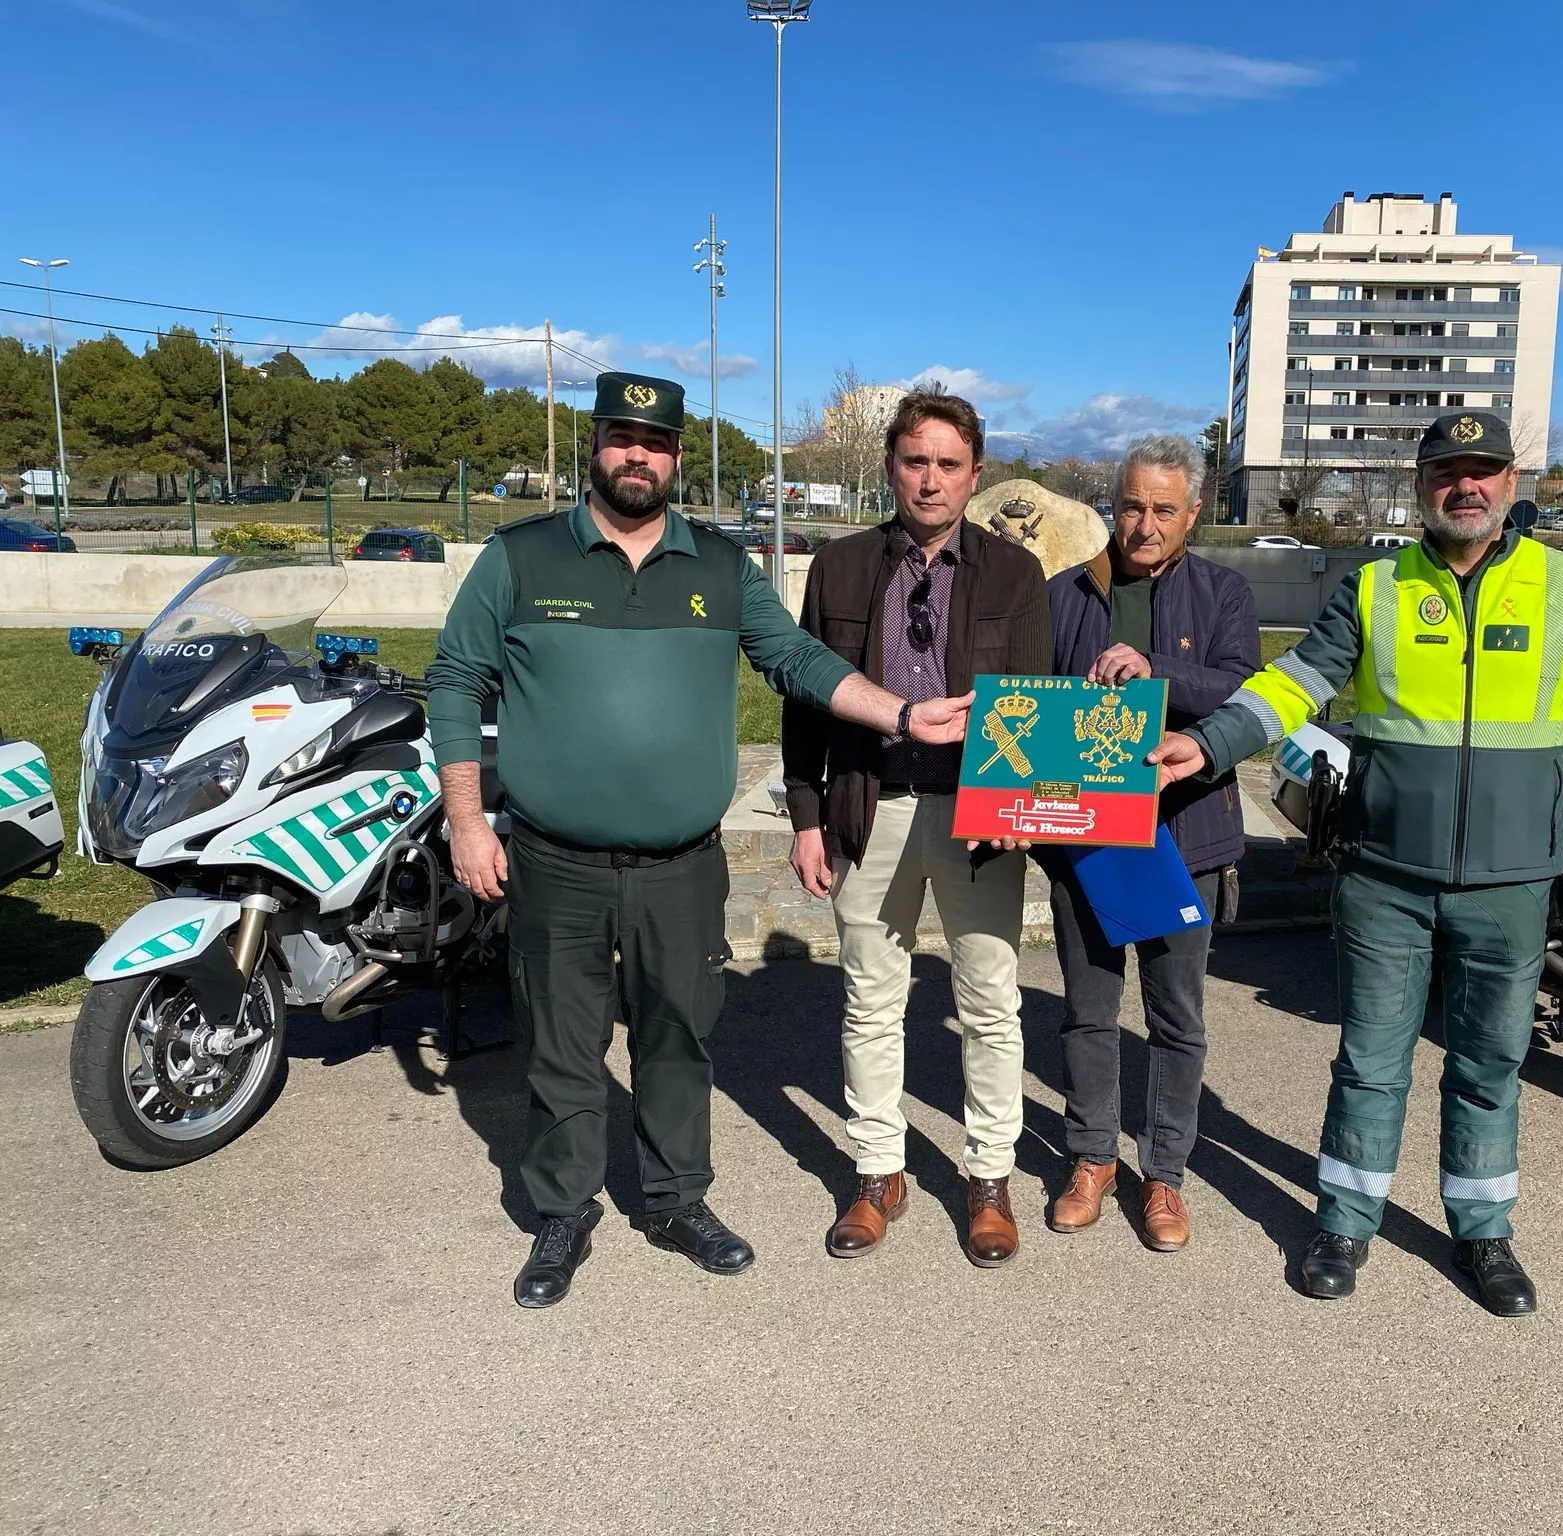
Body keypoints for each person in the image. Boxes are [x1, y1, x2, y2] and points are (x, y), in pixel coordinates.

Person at [426, 371, 969, 1309]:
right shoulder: (518, 560)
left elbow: (798, 661)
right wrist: (467, 821)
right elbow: (453, 682)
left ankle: (678, 1201)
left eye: (658, 442)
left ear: (679, 457)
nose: (639, 455)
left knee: (679, 1038)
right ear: (593, 445)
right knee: (562, 1043)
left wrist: (903, 715)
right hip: (555, 861)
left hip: (682, 864)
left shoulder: (720, 567)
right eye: (622, 437)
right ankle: (563, 1213)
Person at [1149, 411, 1563, 1315]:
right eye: (1448, 471)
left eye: (1485, 471)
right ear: (1421, 486)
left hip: (1511, 881)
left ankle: (1484, 1235)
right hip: (1384, 874)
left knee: (1491, 1063)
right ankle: (1345, 1219)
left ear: (1509, 481)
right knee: (1372, 1058)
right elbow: (1295, 679)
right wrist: (1212, 744)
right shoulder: (1376, 584)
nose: (1468, 486)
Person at [783, 389, 1052, 1268]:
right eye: (914, 461)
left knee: (989, 1003)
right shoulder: (841, 565)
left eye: (948, 465)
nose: (930, 481)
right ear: (892, 465)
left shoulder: (1014, 574)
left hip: (982, 822)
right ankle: (877, 1171)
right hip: (872, 806)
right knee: (871, 1000)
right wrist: (808, 816)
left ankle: (989, 1179)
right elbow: (806, 699)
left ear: (976, 475)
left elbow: (1039, 702)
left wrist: (1023, 804)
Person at [1041, 435, 1259, 1251]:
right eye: (1131, 505)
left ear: (1193, 512)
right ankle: (1092, 1158)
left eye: (1164, 510)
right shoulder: (1064, 595)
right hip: (1085, 842)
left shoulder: (1226, 594)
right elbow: (1027, 708)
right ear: (1113, 503)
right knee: (1087, 1013)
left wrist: (1157, 670)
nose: (1144, 524)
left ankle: (1164, 1174)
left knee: (1177, 1019)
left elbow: (1246, 692)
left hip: (1185, 839)